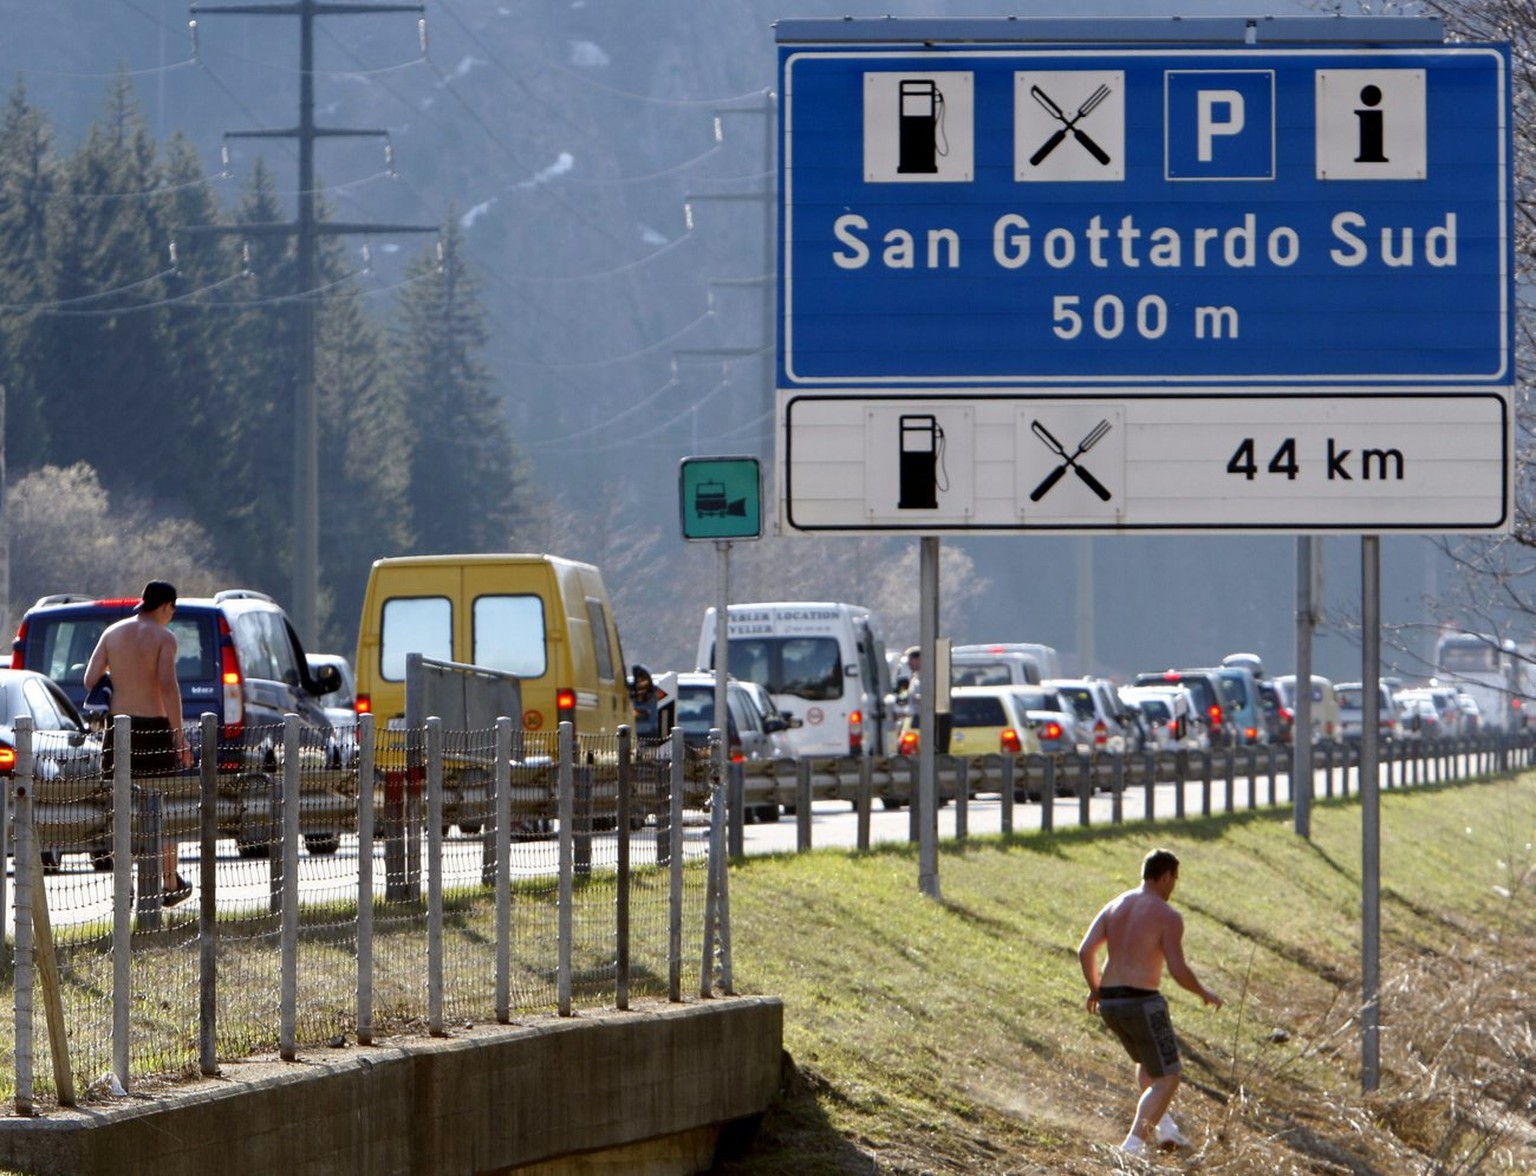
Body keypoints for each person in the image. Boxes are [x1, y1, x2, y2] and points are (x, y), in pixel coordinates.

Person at [1077, 847, 1222, 1157]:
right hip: (1142, 1001)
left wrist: (1095, 988)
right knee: (1168, 1077)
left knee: (1148, 1064)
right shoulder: (1166, 915)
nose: (1174, 887)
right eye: (1175, 880)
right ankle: (1133, 1146)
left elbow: (1085, 950)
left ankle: (1165, 1126)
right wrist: (1203, 993)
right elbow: (1178, 969)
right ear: (1166, 876)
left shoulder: (1116, 904)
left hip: (1111, 1003)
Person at [84, 580, 192, 907]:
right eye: (172, 610)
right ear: (166, 607)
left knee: (121, 807)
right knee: (162, 806)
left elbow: (90, 679)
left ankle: (125, 884)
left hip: (118, 730)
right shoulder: (164, 638)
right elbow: (166, 686)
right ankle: (169, 881)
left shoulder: (113, 633)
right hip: (155, 729)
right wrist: (179, 736)